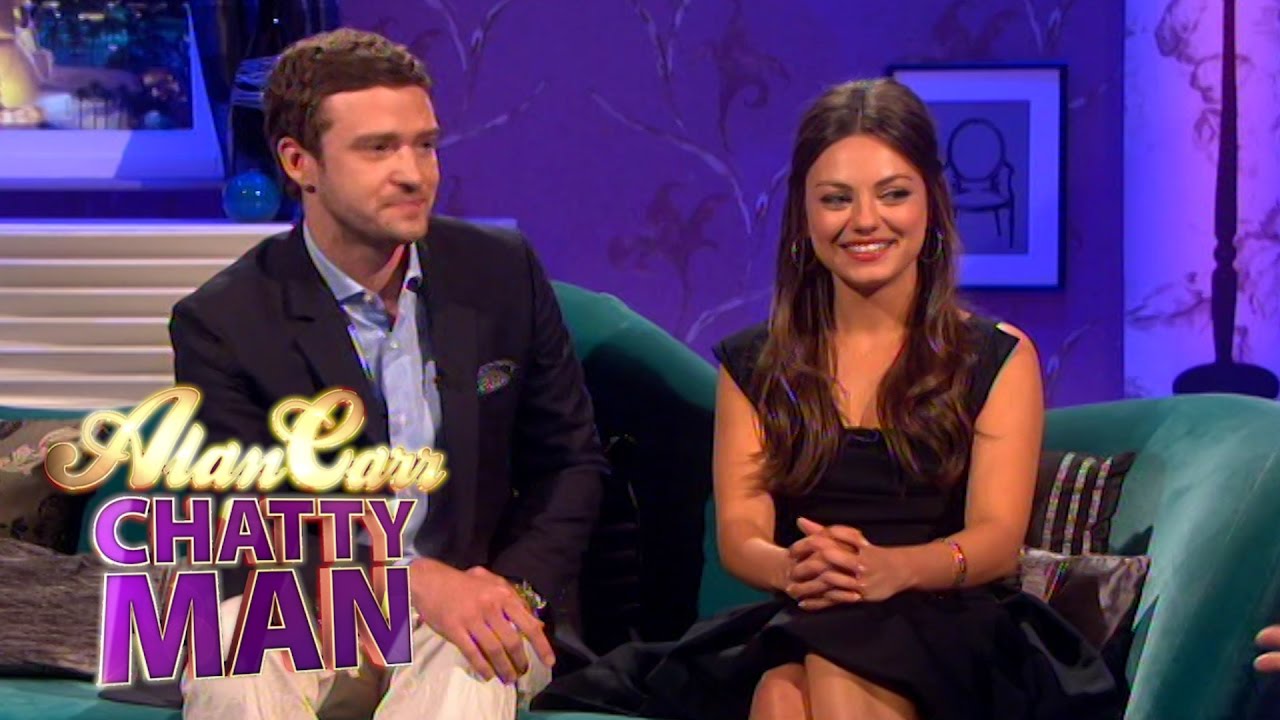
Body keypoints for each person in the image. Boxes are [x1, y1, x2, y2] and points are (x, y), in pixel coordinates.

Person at [534, 78, 1122, 720]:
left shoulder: (995, 356)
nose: (865, 221)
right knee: (782, 691)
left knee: (812, 681)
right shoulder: (757, 364)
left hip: (950, 620)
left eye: (893, 194)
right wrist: (793, 569)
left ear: (931, 202)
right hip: (809, 609)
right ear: (804, 215)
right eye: (836, 199)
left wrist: (891, 569)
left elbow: (996, 539)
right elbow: (741, 535)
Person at [169, 28, 607, 719]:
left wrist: (510, 593)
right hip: (312, 605)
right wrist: (408, 582)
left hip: (471, 604)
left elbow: (571, 465)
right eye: (378, 148)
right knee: (231, 661)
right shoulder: (224, 321)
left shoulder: (501, 273)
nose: (414, 173)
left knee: (469, 670)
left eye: (424, 145)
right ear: (298, 162)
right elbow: (254, 517)